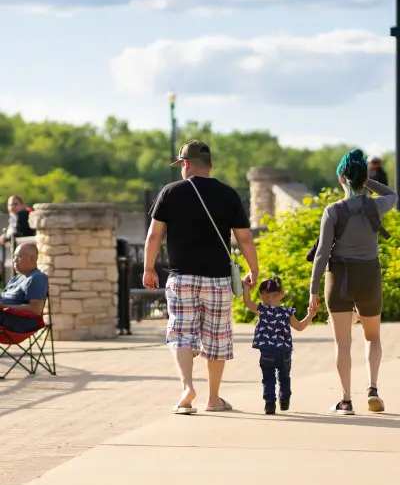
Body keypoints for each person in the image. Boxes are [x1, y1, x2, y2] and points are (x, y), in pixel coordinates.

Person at [143, 140, 259, 414]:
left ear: (185, 164)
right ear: (210, 165)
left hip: (182, 277)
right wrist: (253, 268)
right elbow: (244, 237)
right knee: (217, 338)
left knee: (181, 333)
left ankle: (187, 388)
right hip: (217, 279)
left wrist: (148, 268)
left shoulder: (170, 192)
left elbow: (154, 235)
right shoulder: (228, 194)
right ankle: (214, 398)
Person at [309, 149, 397, 416]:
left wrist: (313, 289)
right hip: (369, 275)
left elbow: (322, 253)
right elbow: (393, 195)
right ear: (364, 176)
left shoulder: (333, 210)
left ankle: (346, 401)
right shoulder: (377, 205)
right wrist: (366, 180)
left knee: (343, 344)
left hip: (339, 278)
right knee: (372, 337)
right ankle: (372, 389)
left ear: (340, 178)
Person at [243, 277, 315, 415]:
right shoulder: (287, 313)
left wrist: (246, 286)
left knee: (268, 377)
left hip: (267, 351)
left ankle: (269, 404)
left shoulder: (262, 310)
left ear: (260, 295)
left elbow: (247, 301)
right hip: (284, 351)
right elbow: (299, 327)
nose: (269, 299)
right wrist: (310, 315)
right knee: (284, 377)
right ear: (282, 294)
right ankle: (284, 400)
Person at [0, 243, 48, 333]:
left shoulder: (36, 278)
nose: (14, 260)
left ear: (32, 258)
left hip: (20, 321)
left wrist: (5, 307)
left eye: (18, 257)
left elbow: (35, 309)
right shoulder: (17, 278)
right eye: (14, 257)